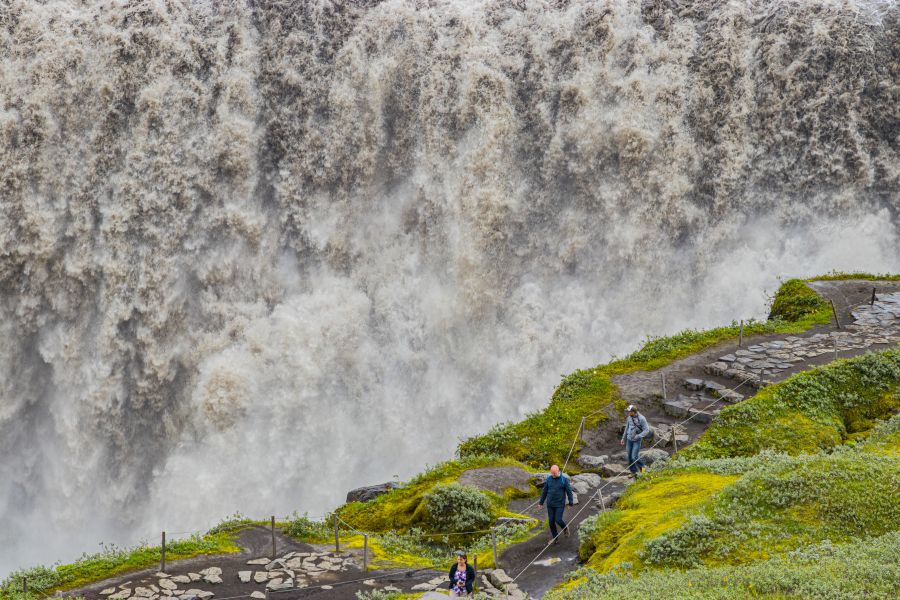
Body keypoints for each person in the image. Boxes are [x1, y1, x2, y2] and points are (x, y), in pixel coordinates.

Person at [537, 464, 574, 544]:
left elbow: (569, 491)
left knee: (558, 519)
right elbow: (544, 491)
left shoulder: (564, 480)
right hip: (550, 504)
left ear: (558, 471)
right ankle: (555, 538)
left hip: (559, 504)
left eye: (554, 473)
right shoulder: (548, 479)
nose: (553, 475)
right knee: (551, 521)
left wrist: (570, 503)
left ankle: (565, 528)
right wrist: (541, 503)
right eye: (552, 473)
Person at [620, 404, 650, 476]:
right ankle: (634, 472)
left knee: (634, 457)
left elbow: (646, 430)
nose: (628, 413)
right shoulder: (629, 417)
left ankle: (643, 469)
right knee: (629, 457)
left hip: (637, 440)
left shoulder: (642, 418)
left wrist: (638, 436)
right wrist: (623, 438)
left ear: (633, 412)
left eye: (629, 411)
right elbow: (627, 428)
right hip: (629, 440)